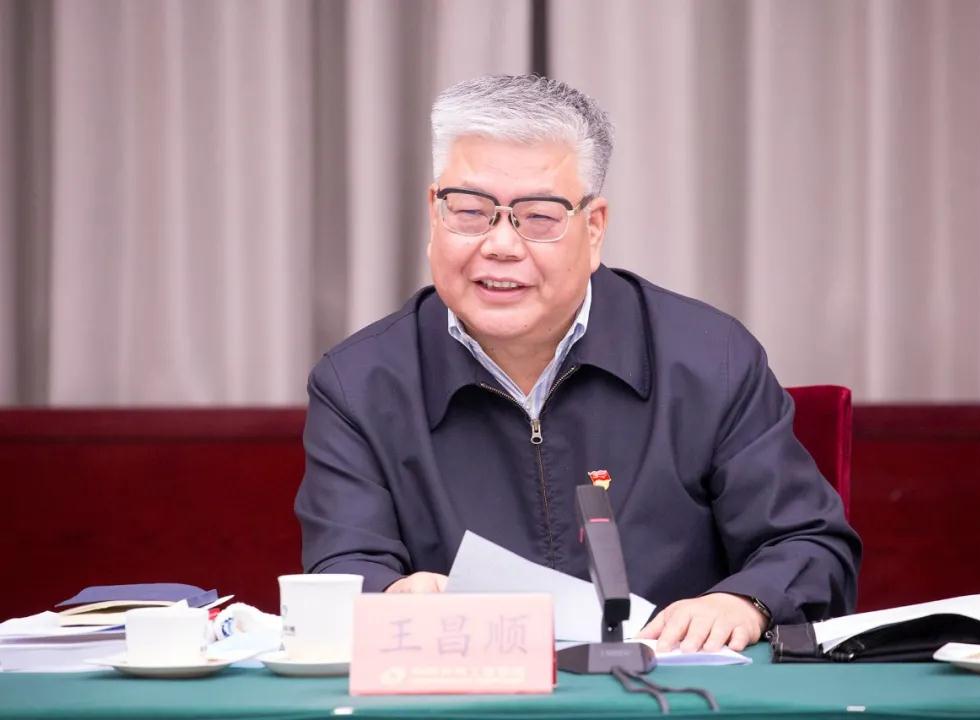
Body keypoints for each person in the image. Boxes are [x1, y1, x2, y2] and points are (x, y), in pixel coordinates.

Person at [295, 74, 861, 653]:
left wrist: (744, 601)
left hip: (672, 690)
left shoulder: (710, 359)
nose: (500, 245)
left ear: (593, 229)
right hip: (464, 689)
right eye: (470, 211)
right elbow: (343, 567)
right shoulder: (358, 384)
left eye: (539, 217)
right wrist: (392, 596)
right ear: (433, 214)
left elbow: (811, 546)